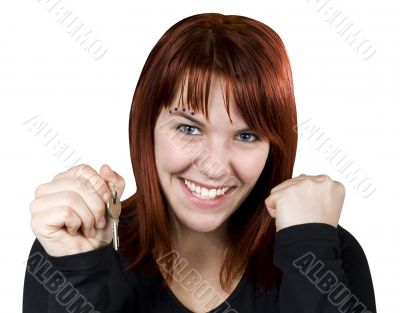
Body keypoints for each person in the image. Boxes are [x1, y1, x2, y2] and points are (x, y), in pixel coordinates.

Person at [23, 12, 376, 313]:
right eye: (189, 128)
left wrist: (308, 246)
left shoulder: (326, 251)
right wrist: (83, 273)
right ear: (146, 128)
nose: (214, 165)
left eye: (247, 135)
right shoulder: (73, 245)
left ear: (275, 146)